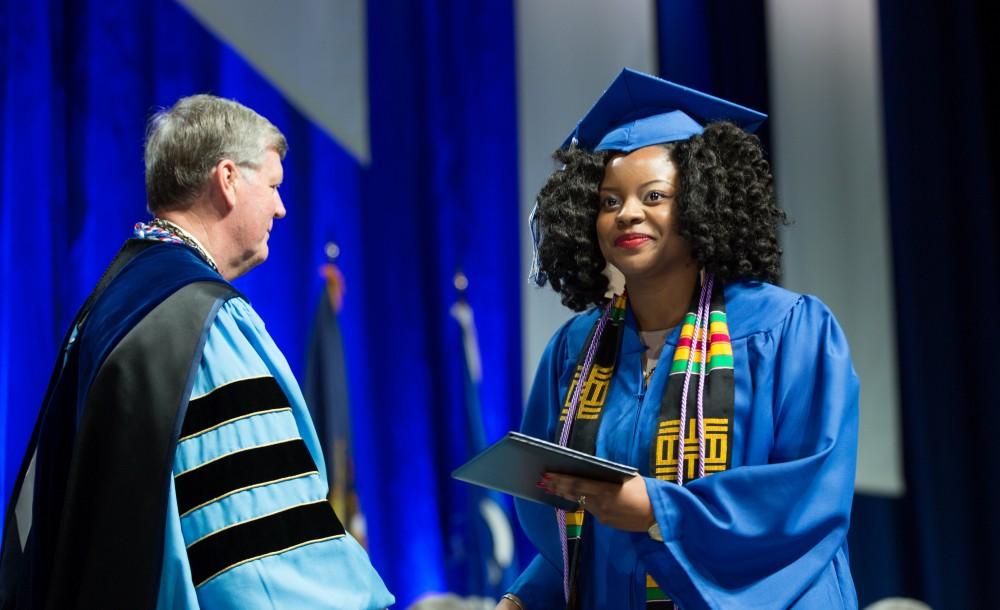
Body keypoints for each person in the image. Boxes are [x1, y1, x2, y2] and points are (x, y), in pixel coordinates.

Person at [0, 95, 394, 609]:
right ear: (227, 179)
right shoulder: (205, 322)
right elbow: (261, 570)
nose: (282, 206)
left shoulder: (110, 304)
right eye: (273, 185)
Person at [499, 69, 859, 609]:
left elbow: (806, 499)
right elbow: (569, 523)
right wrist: (526, 598)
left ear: (702, 204)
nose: (628, 214)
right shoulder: (577, 351)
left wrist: (662, 511)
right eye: (608, 201)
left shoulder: (788, 331)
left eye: (655, 195)